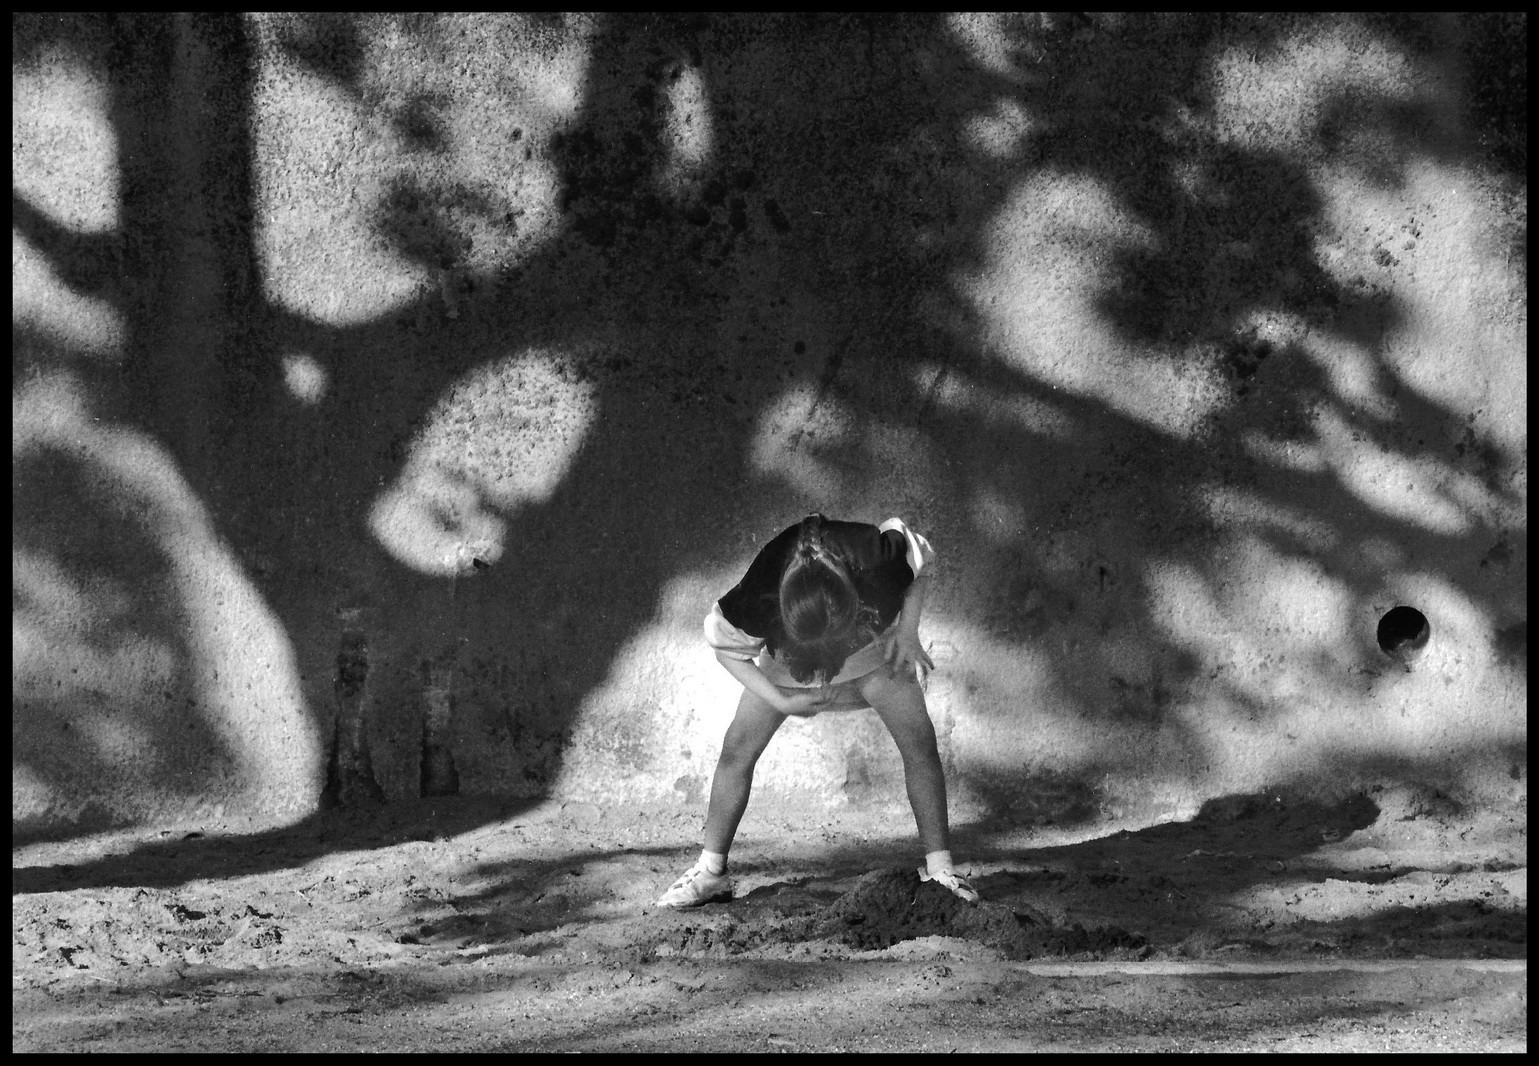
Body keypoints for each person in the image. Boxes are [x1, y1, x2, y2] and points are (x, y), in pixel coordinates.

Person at [657, 513, 979, 907]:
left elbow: (921, 557)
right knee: (737, 747)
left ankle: (942, 870)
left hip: (869, 650)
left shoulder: (876, 558)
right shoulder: (761, 587)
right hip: (789, 661)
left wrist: (908, 630)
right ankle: (710, 872)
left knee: (919, 742)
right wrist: (781, 700)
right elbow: (725, 649)